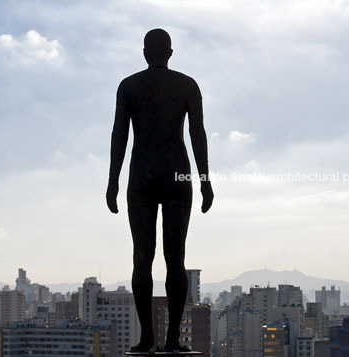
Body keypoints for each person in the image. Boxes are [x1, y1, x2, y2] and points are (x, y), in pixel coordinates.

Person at [106, 28, 213, 352]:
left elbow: (119, 137)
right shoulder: (187, 85)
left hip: (140, 176)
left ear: (144, 52)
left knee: (142, 258)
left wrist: (112, 181)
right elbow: (197, 134)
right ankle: (171, 341)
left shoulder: (129, 86)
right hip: (178, 174)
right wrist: (205, 180)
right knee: (175, 258)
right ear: (169, 52)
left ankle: (147, 340)